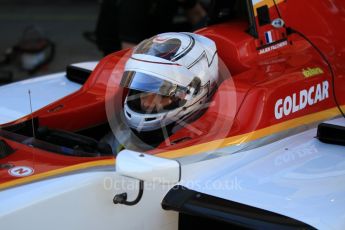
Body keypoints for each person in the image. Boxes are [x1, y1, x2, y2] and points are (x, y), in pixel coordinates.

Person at [102, 32, 219, 153]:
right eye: (141, 90)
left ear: (196, 93)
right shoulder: (121, 134)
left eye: (163, 95)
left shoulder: (208, 146)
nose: (147, 103)